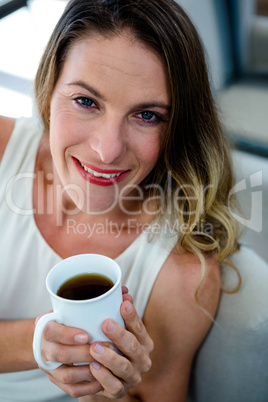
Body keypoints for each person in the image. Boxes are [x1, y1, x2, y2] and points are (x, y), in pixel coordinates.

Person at [0, 0, 240, 401]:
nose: (106, 150)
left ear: (177, 127)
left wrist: (107, 394)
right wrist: (38, 342)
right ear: (49, 86)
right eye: (86, 101)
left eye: (146, 115)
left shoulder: (180, 276)